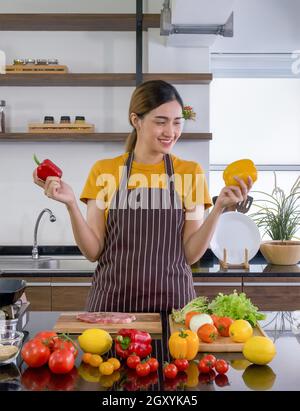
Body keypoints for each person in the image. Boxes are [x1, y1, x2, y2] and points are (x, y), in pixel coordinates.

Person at [33, 80, 252, 313]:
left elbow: (190, 254)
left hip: (173, 306)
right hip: (112, 305)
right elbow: (93, 251)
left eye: (177, 122)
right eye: (161, 122)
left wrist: (218, 208)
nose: (171, 132)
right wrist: (70, 206)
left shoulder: (190, 173)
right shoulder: (104, 171)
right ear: (135, 120)